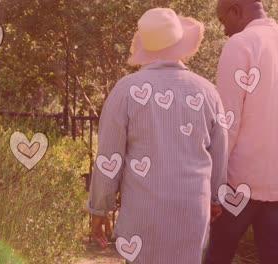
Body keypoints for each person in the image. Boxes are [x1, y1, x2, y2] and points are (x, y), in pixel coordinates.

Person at [85, 8, 228, 264]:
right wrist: (216, 198)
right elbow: (219, 153)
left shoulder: (125, 92)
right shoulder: (208, 92)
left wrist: (100, 208)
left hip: (144, 215)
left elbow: (109, 157)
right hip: (192, 213)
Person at [205, 0, 278, 263]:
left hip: (241, 178)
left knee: (219, 252)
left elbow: (226, 123)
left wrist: (213, 184)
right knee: (275, 254)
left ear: (236, 11)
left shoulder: (240, 44)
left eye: (223, 21)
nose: (224, 30)